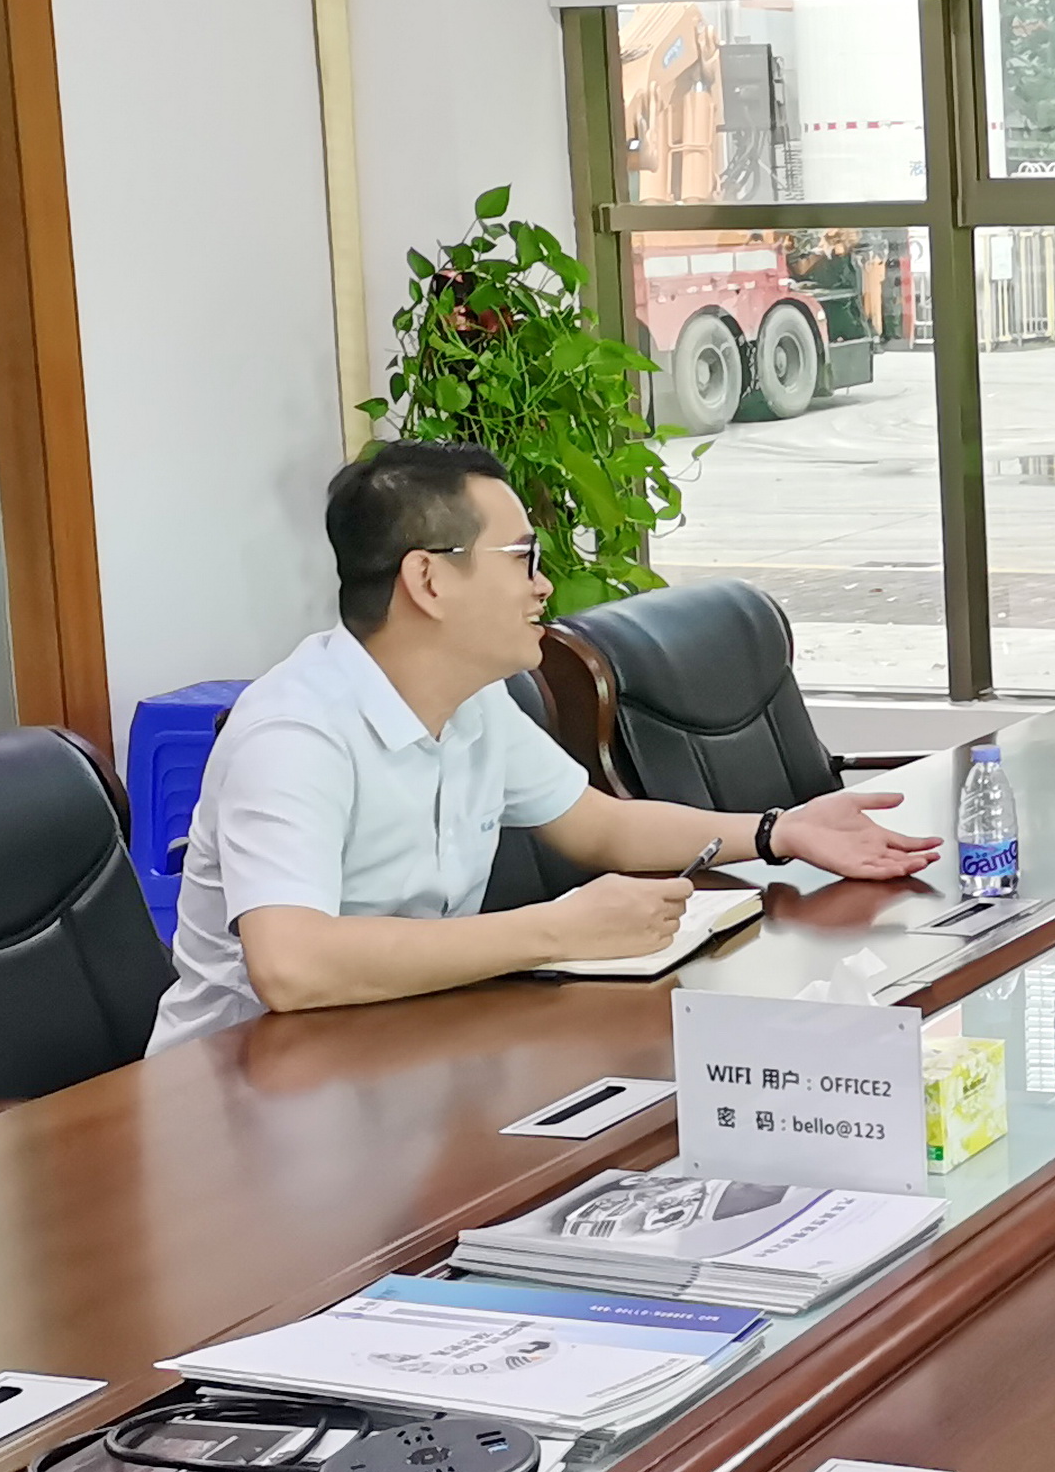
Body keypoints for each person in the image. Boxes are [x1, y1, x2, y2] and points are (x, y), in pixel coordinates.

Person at [150, 442, 942, 1049]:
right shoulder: (295, 734)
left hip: (396, 1047)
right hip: (243, 1090)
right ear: (428, 581)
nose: (542, 585)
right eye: (522, 559)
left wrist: (778, 830)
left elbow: (600, 826)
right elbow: (291, 965)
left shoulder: (473, 703)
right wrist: (559, 929)